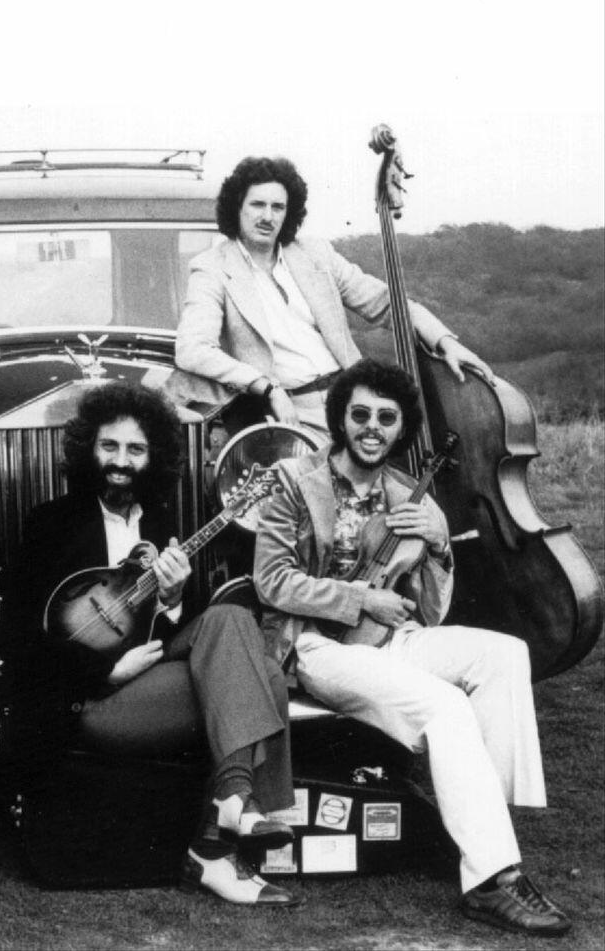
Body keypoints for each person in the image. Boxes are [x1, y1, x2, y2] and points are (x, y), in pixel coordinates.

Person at [252, 358, 570, 936]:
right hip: (316, 646)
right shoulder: (293, 479)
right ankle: (492, 877)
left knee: (504, 655)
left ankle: (481, 829)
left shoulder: (407, 494)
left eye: (386, 418)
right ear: (340, 419)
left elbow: (429, 610)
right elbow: (272, 581)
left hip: (388, 641)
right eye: (361, 415)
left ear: (401, 428)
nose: (372, 428)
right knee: (444, 705)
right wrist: (359, 598)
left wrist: (440, 547)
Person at [0, 382, 302, 907]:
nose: (121, 461)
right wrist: (104, 671)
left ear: (153, 456)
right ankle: (223, 838)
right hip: (87, 701)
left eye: (135, 449)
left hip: (148, 685)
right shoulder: (50, 523)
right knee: (266, 675)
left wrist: (174, 598)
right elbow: (12, 639)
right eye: (109, 446)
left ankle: (231, 808)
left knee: (232, 620)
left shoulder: (161, 526)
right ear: (88, 449)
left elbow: (175, 637)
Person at [166, 155, 492, 436]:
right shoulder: (212, 267)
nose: (267, 216)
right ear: (237, 207)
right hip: (290, 410)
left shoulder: (315, 253)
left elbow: (386, 303)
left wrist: (446, 342)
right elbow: (193, 348)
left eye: (278, 207)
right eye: (257, 204)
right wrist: (267, 387)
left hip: (353, 400)